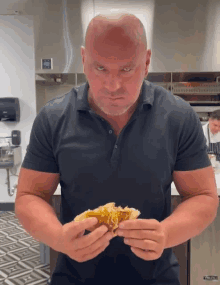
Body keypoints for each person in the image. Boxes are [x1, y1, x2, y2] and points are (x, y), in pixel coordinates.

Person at [15, 12, 219, 285]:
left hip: (156, 277)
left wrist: (166, 233)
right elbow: (30, 195)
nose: (113, 86)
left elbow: (203, 196)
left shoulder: (178, 117)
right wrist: (58, 237)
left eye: (126, 69)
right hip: (75, 277)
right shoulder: (53, 118)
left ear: (146, 62)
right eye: (100, 68)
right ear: (84, 60)